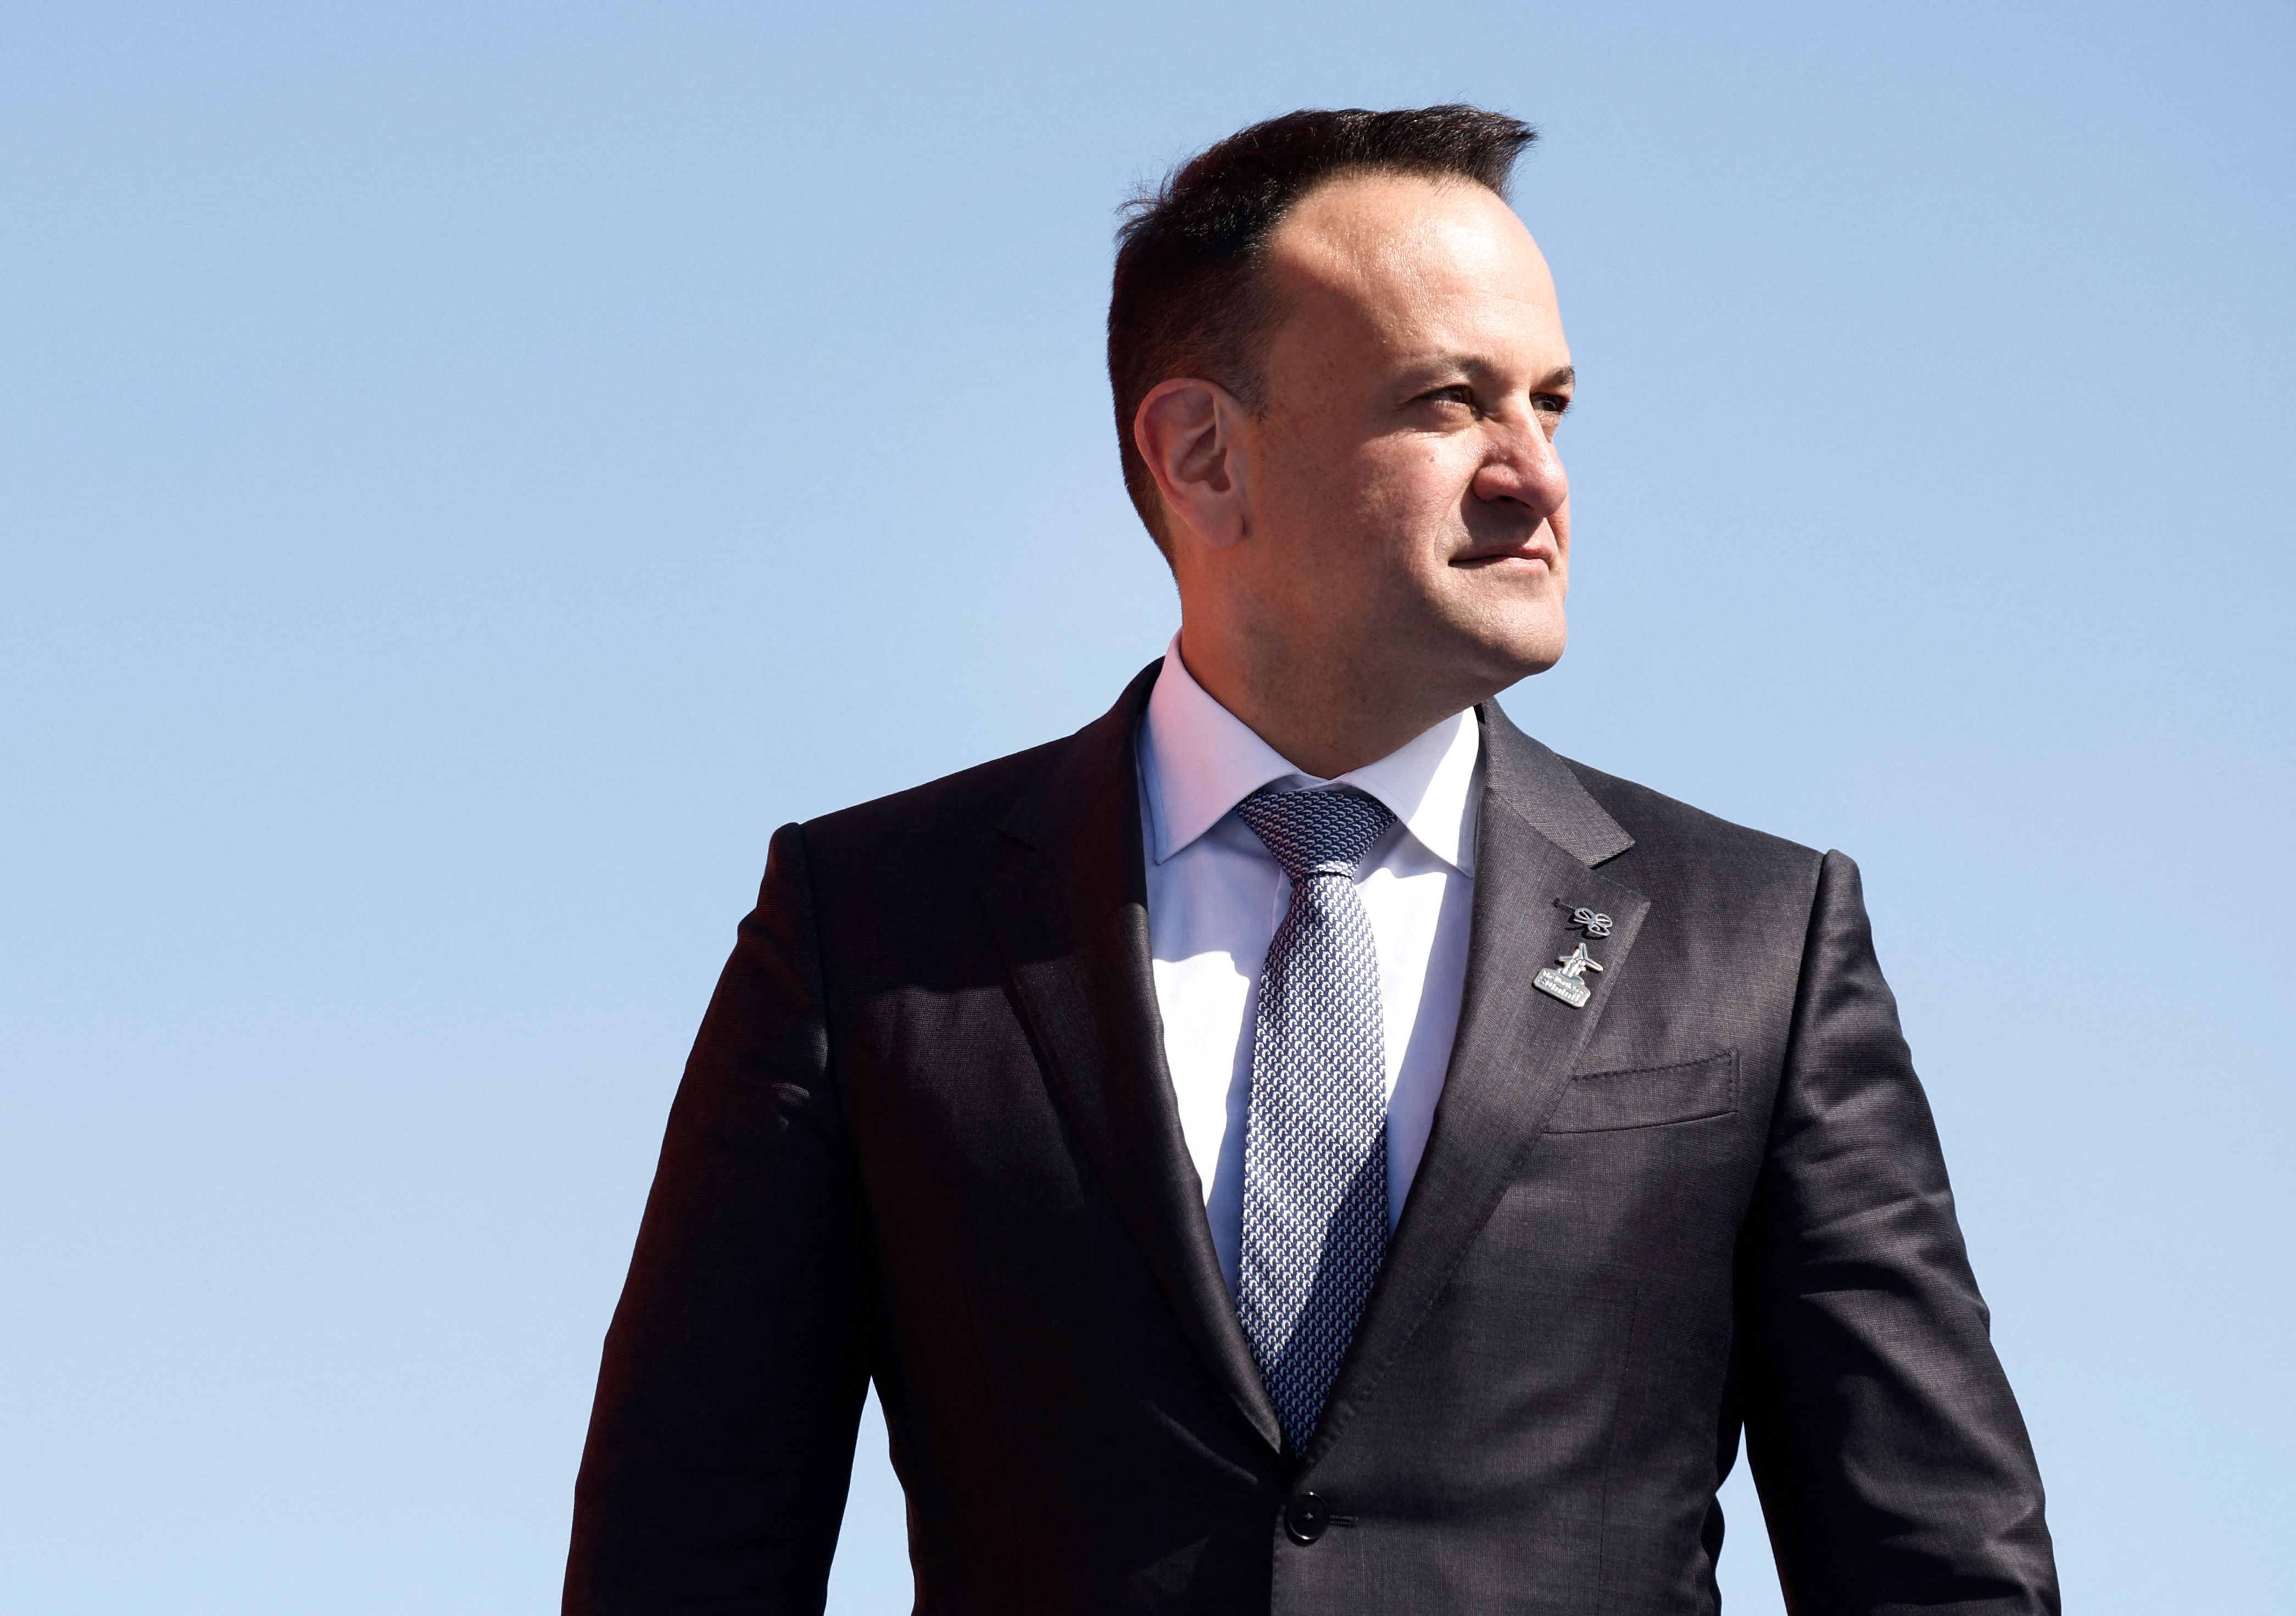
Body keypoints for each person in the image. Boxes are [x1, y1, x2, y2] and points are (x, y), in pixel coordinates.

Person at [564, 105, 2058, 1615]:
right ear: (1203, 454)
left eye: (1549, 406)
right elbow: (681, 1553)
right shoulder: (872, 928)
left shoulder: (1756, 940)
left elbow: (1935, 1569)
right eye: (1448, 403)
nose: (1535, 477)